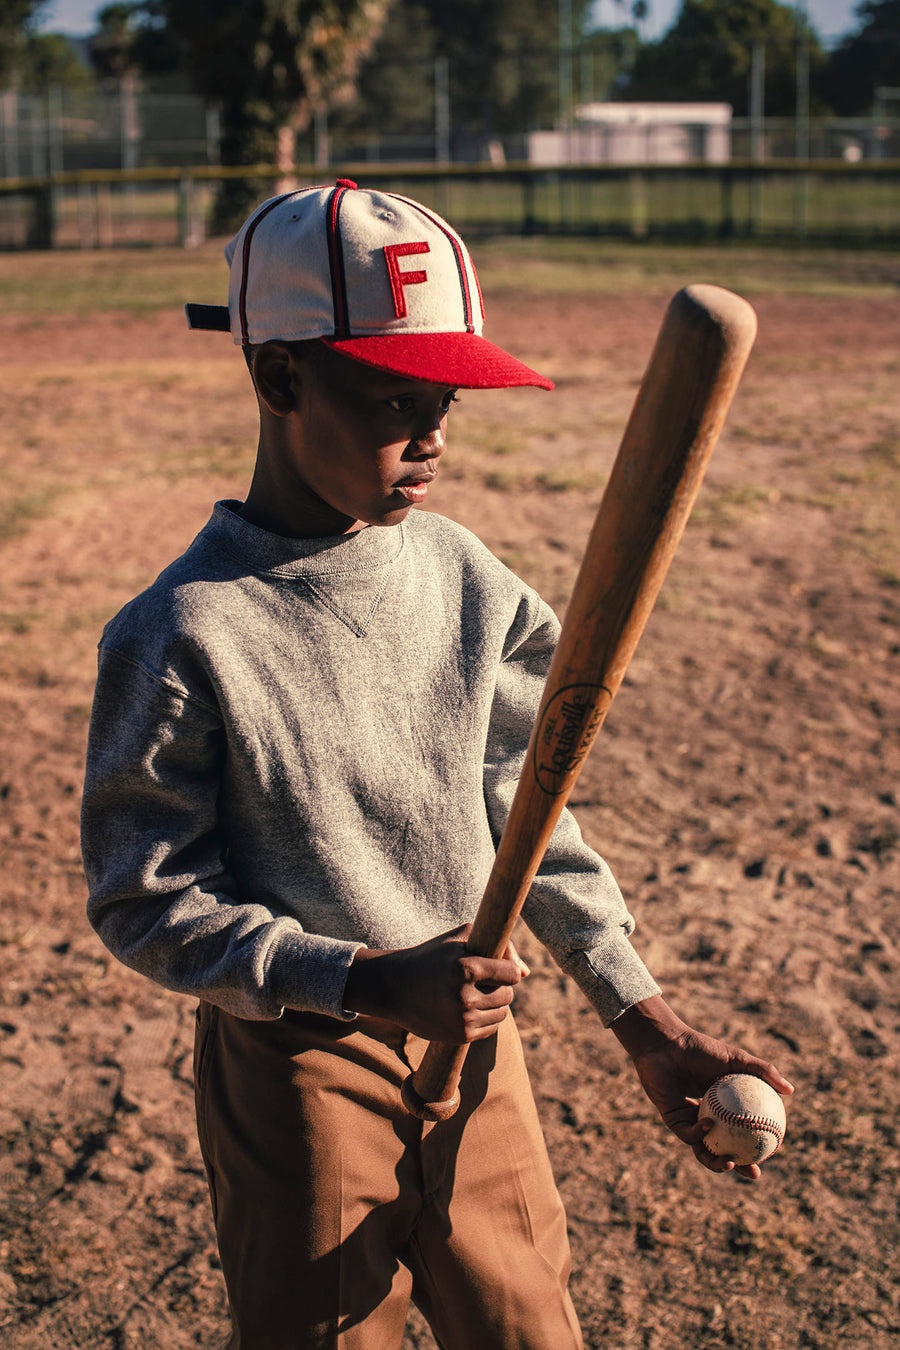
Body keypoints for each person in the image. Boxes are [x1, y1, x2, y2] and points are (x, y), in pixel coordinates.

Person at [81, 179, 793, 1350]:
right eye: (393, 396)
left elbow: (532, 808)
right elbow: (143, 898)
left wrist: (648, 1026)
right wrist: (358, 979)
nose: (435, 434)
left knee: (529, 1326)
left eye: (447, 397)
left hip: (481, 1041)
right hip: (299, 1062)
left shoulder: (465, 576)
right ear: (279, 378)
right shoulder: (184, 631)